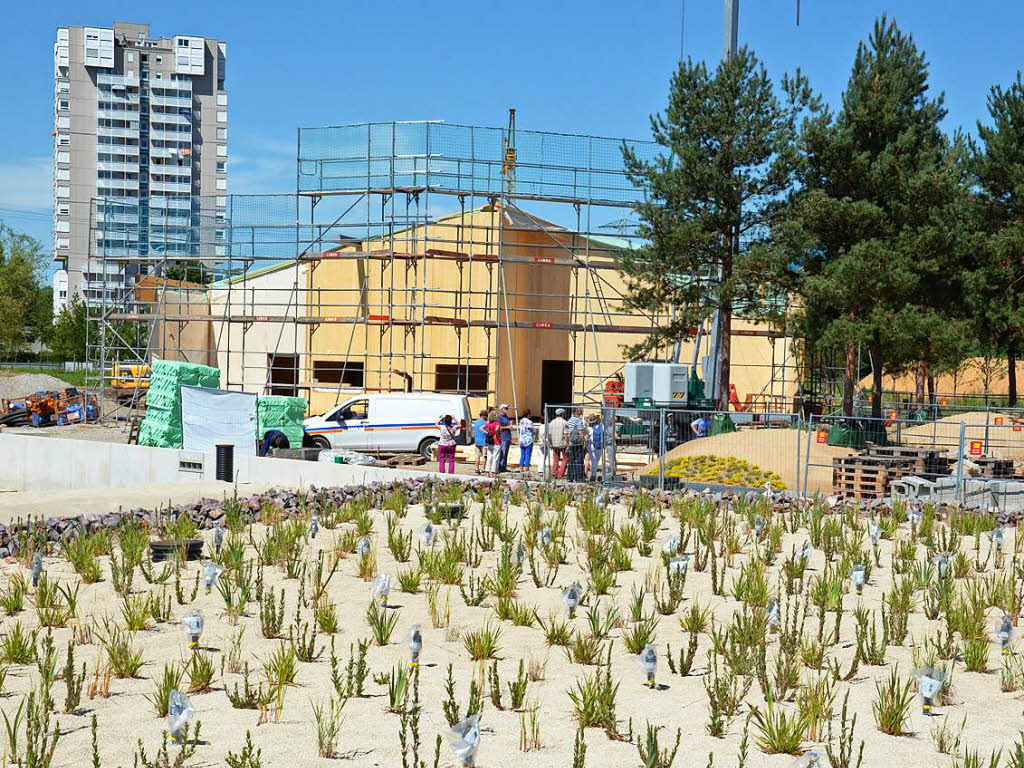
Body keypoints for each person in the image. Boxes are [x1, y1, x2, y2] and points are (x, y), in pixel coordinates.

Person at [566, 407, 588, 482]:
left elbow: (566, 431)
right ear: (578, 411)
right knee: (579, 460)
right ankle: (579, 477)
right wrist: (584, 441)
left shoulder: (570, 419)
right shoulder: (578, 420)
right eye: (581, 410)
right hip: (578, 443)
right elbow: (580, 432)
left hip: (571, 442)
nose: (582, 411)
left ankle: (570, 477)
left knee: (571, 460)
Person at [547, 407, 568, 478]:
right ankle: (560, 474)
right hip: (562, 443)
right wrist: (567, 443)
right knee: (565, 458)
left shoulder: (552, 422)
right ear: (562, 414)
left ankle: (554, 473)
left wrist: (550, 443)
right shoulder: (564, 422)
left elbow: (549, 434)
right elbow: (566, 433)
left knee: (556, 458)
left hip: (554, 443)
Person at [483, 410, 502, 477]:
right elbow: (497, 429)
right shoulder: (497, 423)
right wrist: (497, 434)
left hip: (490, 442)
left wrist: (488, 433)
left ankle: (487, 470)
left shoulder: (488, 424)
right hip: (496, 442)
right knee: (495, 457)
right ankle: (493, 472)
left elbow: (481, 428)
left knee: (489, 457)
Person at [586, 414, 604, 481]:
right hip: (600, 446)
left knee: (593, 461)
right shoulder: (602, 427)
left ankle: (593, 476)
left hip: (591, 445)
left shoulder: (589, 429)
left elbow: (586, 438)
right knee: (597, 461)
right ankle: (594, 475)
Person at [496, 403, 513, 473]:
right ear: (501, 409)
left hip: (507, 436)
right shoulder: (499, 417)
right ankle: (500, 467)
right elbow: (498, 427)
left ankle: (504, 467)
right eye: (506, 408)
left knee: (506, 453)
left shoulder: (506, 416)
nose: (507, 409)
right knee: (502, 453)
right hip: (503, 437)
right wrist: (507, 427)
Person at [472, 409, 488, 474]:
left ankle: (476, 468)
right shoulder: (485, 423)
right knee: (484, 456)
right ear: (484, 416)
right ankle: (483, 468)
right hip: (484, 442)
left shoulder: (476, 422)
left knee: (477, 456)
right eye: (486, 416)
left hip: (477, 441)